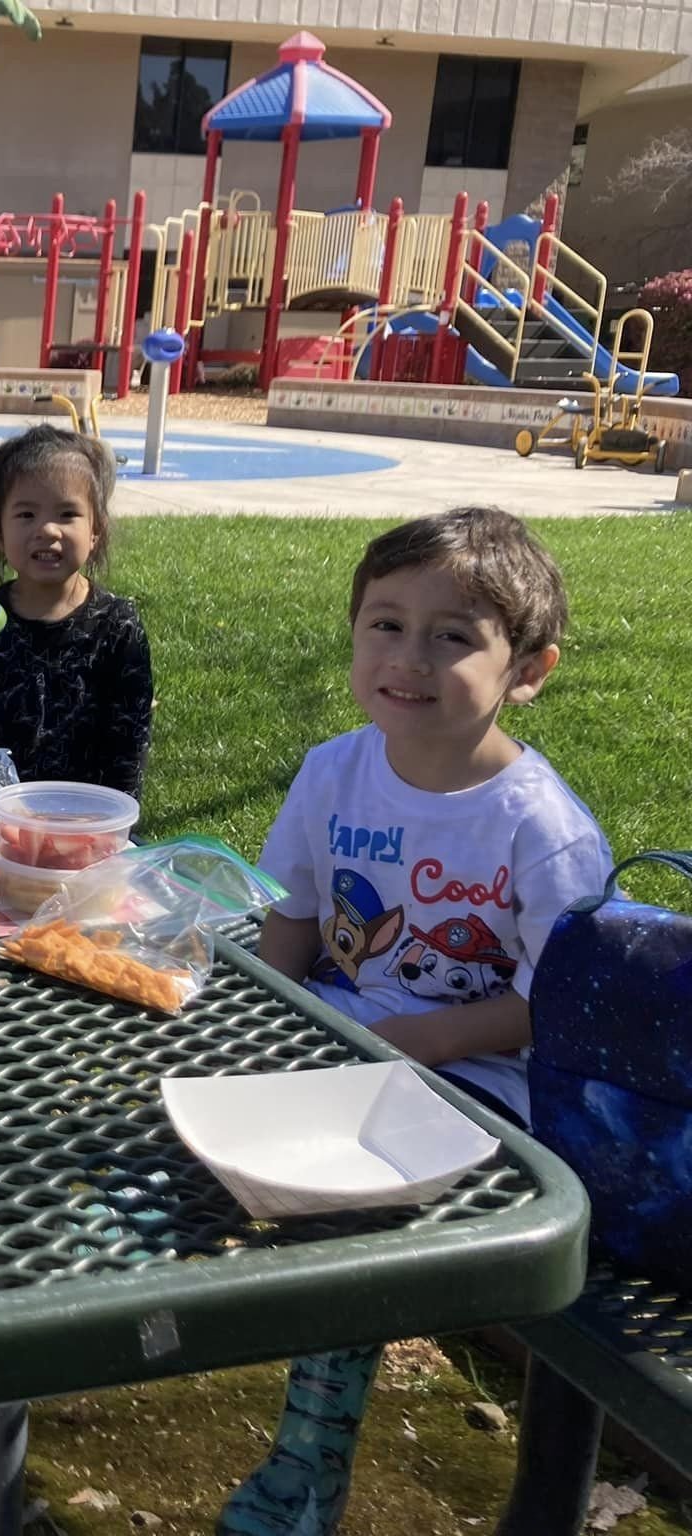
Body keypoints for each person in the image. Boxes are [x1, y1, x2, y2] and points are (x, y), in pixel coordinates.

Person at [227, 507, 613, 1536]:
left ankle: (306, 1460)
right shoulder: (330, 772)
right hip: (339, 1040)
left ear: (526, 669)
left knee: (353, 1220)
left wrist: (416, 1043)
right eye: (383, 625)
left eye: (451, 636)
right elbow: (293, 918)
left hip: (476, 1080)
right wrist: (268, 1027)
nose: (407, 657)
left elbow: (552, 1010)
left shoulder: (538, 829)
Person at [0, 425, 152, 797]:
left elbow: (128, 747)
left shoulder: (117, 627)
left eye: (67, 514)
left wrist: (112, 823)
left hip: (86, 819)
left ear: (95, 530)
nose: (47, 529)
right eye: (25, 515)